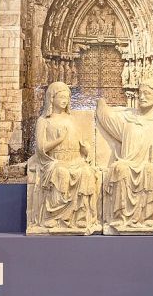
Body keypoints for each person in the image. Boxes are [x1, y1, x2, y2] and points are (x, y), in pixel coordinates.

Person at [96, 78, 153, 234]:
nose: (142, 97)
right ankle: (121, 219)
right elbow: (107, 119)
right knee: (120, 169)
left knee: (152, 171)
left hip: (149, 165)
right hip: (128, 162)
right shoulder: (128, 118)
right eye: (140, 93)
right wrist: (100, 104)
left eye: (147, 93)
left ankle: (150, 219)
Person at [26, 82, 101, 235]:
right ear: (51, 98)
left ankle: (81, 216)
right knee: (62, 174)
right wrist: (58, 140)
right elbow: (40, 148)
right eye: (61, 96)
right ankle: (53, 216)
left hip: (74, 159)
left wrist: (86, 150)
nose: (64, 100)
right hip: (53, 161)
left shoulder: (72, 119)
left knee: (86, 173)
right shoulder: (44, 121)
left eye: (67, 97)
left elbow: (81, 144)